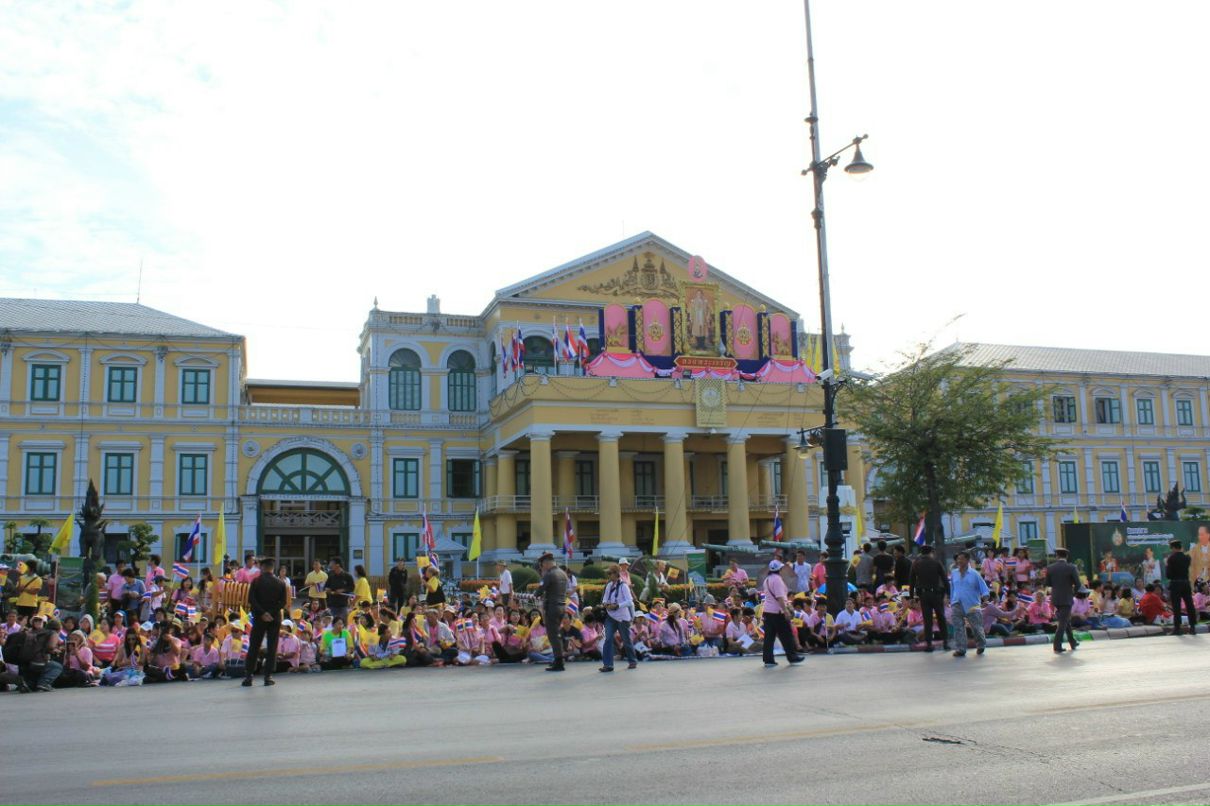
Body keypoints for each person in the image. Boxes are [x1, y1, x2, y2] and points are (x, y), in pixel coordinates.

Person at [243, 557, 287, 687]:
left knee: (254, 646)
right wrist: (271, 613)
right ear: (273, 568)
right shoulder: (280, 583)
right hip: (274, 618)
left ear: (262, 567)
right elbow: (283, 602)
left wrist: (263, 613)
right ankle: (268, 677)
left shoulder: (256, 581)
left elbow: (251, 599)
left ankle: (249, 676)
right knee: (272, 646)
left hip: (259, 617)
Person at [759, 560, 804, 667]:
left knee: (769, 637)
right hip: (778, 612)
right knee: (787, 635)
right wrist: (786, 611)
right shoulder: (778, 580)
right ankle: (792, 657)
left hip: (768, 611)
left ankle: (768, 660)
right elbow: (780, 597)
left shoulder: (767, 580)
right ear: (780, 569)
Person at [949, 551, 989, 658]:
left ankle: (981, 644)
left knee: (976, 627)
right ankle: (961, 649)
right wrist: (951, 600)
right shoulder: (954, 573)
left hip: (972, 604)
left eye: (961, 559)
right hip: (956, 603)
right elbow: (952, 588)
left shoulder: (975, 574)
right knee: (958, 627)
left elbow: (984, 589)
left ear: (967, 560)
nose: (959, 561)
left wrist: (985, 600)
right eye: (958, 559)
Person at [909, 544, 948, 652]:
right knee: (941, 618)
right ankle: (945, 643)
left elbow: (911, 581)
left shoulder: (916, 563)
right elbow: (945, 580)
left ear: (921, 552)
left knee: (927, 620)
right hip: (936, 594)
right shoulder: (936, 562)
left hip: (924, 595)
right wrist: (948, 594)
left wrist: (912, 597)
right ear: (931, 552)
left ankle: (929, 644)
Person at [599, 563, 637, 671]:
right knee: (608, 639)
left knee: (626, 640)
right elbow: (604, 600)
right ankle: (608, 665)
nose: (609, 575)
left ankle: (632, 661)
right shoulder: (609, 586)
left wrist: (618, 605)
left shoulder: (623, 586)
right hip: (611, 616)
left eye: (610, 573)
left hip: (622, 617)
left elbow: (630, 601)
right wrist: (607, 605)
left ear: (616, 574)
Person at [536, 553, 568, 671]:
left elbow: (539, 591)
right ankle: (558, 659)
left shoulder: (549, 574)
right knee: (557, 634)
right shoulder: (562, 573)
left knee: (553, 635)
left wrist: (536, 594)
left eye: (542, 565)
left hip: (552, 608)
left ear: (546, 563)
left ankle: (559, 662)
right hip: (561, 607)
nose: (542, 567)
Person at [1046, 547, 1081, 653]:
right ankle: (1057, 645)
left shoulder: (1050, 568)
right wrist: (1072, 593)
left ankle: (1072, 641)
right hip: (1066, 598)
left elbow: (1048, 583)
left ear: (1057, 556)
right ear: (1066, 556)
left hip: (1055, 598)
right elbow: (1078, 584)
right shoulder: (1071, 567)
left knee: (1065, 620)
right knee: (1063, 622)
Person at [1166, 539, 1198, 636]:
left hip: (1176, 584)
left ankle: (1177, 628)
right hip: (1185, 583)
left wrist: (1167, 566)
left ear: (1173, 548)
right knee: (1189, 605)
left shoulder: (1171, 558)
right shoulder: (1187, 558)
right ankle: (1192, 627)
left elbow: (1169, 575)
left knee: (1176, 606)